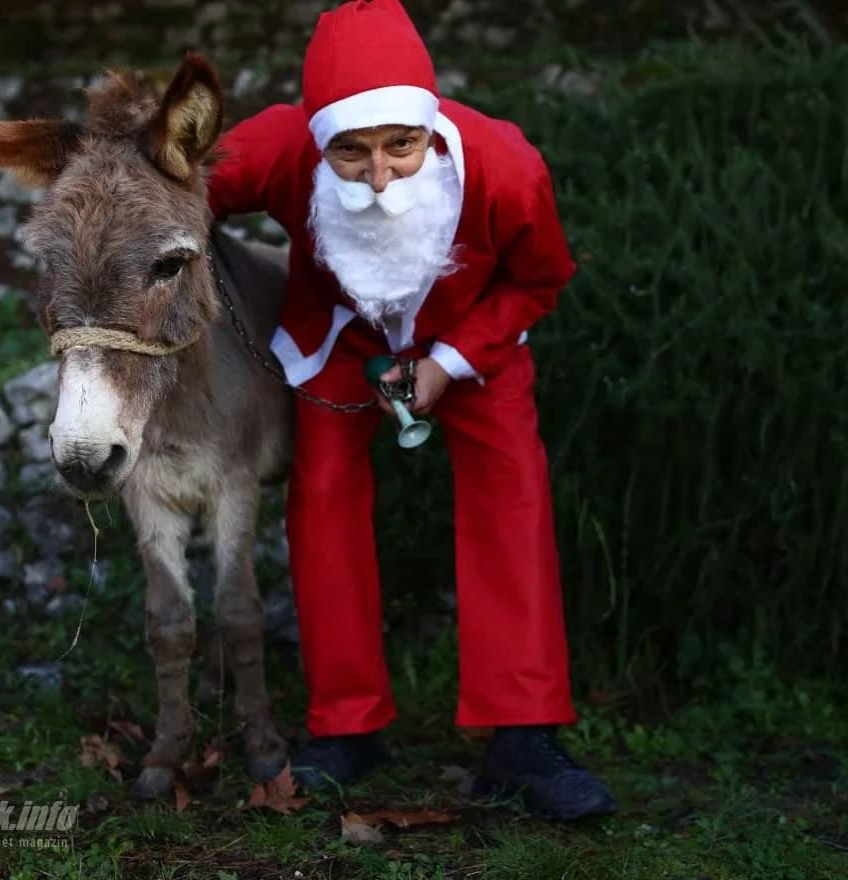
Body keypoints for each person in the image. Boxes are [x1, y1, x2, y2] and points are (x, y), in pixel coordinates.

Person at [206, 0, 616, 821]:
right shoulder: (278, 145)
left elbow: (538, 280)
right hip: (339, 343)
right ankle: (346, 727)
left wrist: (451, 361)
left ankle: (524, 736)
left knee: (513, 495)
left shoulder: (505, 163)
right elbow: (168, 186)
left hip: (470, 344)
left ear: (431, 128)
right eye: (351, 155)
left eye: (402, 145)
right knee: (321, 496)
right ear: (316, 139)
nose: (383, 178)